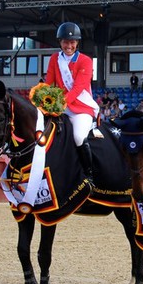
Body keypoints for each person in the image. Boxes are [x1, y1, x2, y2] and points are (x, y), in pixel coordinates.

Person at [45, 22, 99, 179]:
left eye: (72, 42)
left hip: (81, 107)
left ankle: (89, 174)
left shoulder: (86, 61)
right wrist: (42, 101)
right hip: (60, 107)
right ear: (60, 42)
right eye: (65, 42)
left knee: (78, 136)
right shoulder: (55, 59)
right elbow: (49, 84)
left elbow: (78, 89)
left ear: (77, 43)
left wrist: (59, 103)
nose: (69, 45)